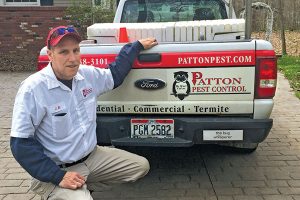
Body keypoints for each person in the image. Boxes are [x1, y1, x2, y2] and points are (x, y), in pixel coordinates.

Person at [10, 26, 158, 200]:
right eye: (64, 52)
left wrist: (135, 46)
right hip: (58, 169)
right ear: (50, 55)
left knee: (140, 166)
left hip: (92, 158)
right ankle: (57, 192)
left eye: (76, 50)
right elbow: (20, 144)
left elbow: (114, 75)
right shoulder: (33, 89)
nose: (72, 59)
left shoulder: (86, 75)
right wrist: (58, 176)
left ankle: (82, 187)